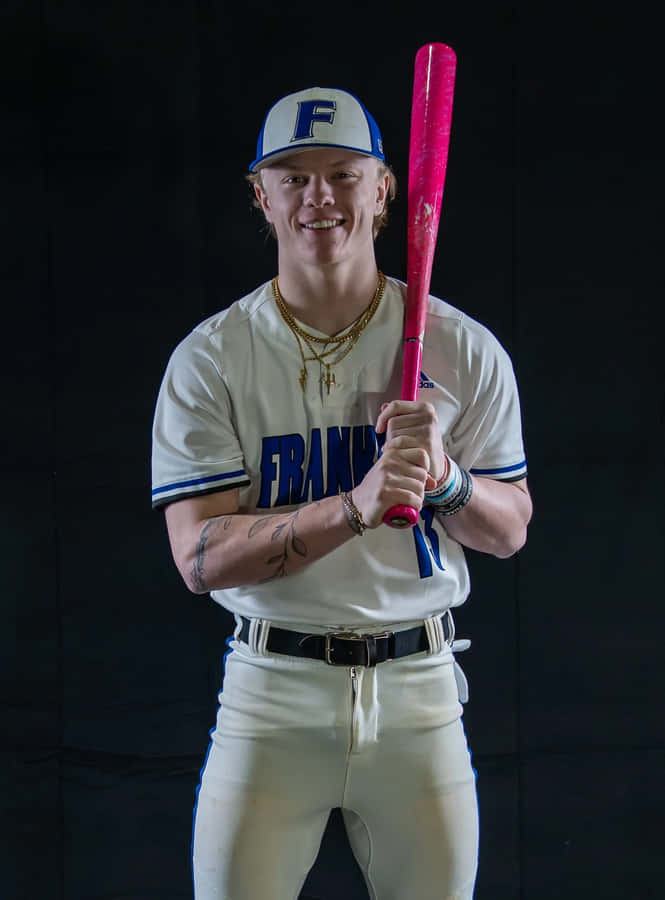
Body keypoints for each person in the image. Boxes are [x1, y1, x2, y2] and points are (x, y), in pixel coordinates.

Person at [151, 86, 532, 900]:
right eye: (292, 175)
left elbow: (507, 532)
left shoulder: (463, 349)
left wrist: (447, 481)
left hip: (419, 690)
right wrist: (354, 506)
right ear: (261, 194)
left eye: (342, 173)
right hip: (270, 694)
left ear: (384, 187)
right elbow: (199, 557)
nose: (318, 196)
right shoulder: (212, 359)